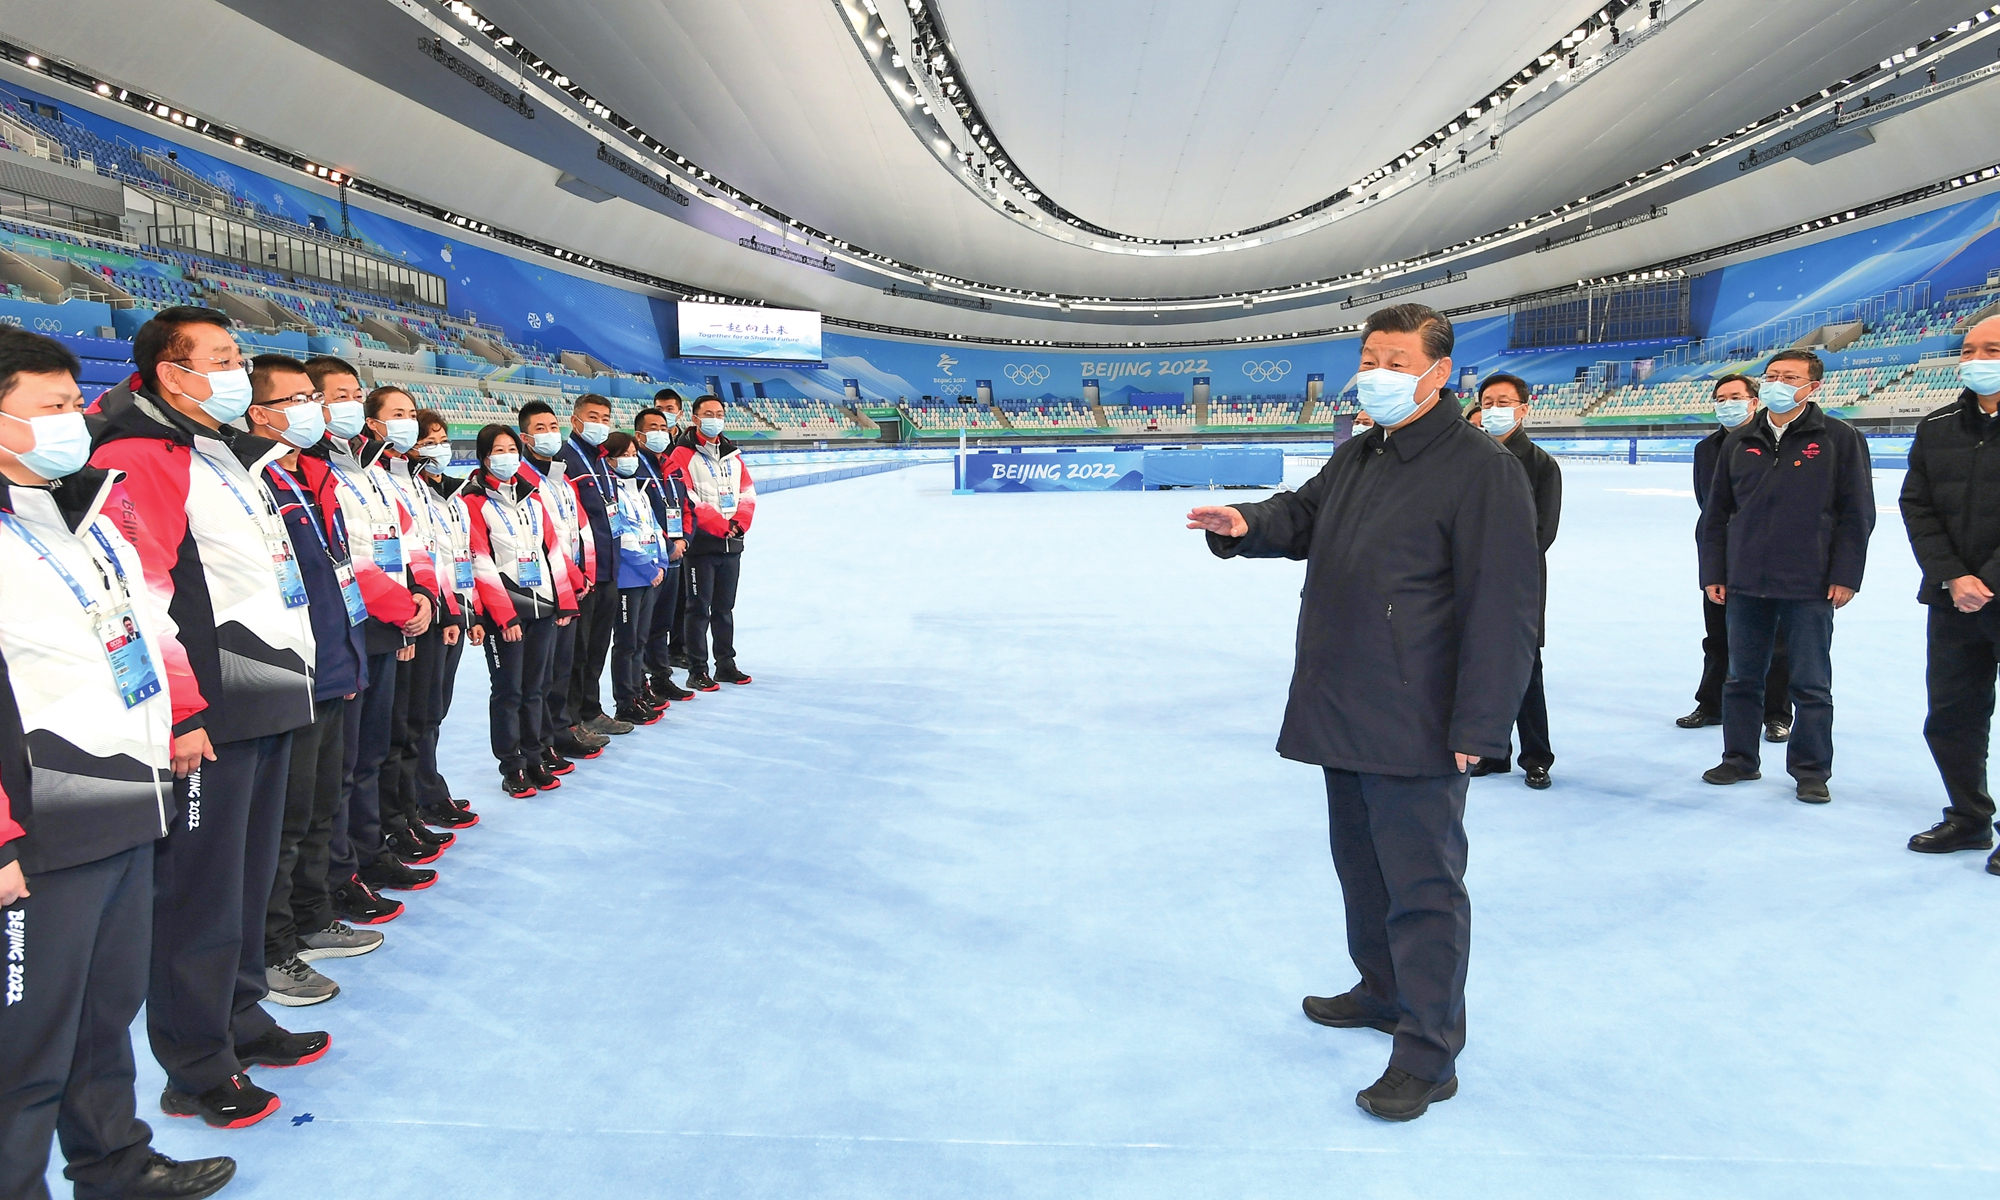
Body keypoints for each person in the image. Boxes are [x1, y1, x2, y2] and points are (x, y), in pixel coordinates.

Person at [1184, 303, 1540, 1121]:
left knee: (1423, 889)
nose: (1374, 371)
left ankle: (1428, 1051)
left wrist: (1481, 730)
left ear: (1439, 372)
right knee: (1362, 869)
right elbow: (1303, 513)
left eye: (1394, 358)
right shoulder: (1362, 451)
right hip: (1345, 703)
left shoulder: (1483, 470)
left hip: (1419, 718)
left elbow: (1505, 611)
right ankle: (1382, 990)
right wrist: (1245, 525)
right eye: (1368, 356)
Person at [0, 328, 237, 1199]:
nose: (75, 422)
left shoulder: (84, 515)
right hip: (43, 825)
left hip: (131, 801)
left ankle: (114, 1162)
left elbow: (149, 623)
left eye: (75, 404)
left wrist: (183, 710)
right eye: (53, 409)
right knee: (25, 1043)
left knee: (106, 1015)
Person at [86, 306, 322, 1129]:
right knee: (200, 891)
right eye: (217, 358)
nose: (235, 370)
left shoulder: (218, 451)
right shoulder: (139, 457)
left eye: (236, 355)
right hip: (210, 712)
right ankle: (194, 1061)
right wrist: (184, 710)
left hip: (266, 694)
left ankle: (241, 1016)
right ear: (169, 373)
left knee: (248, 880)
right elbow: (143, 595)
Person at [244, 357, 378, 1008]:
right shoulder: (255, 484)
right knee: (286, 823)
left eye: (311, 398)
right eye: (295, 399)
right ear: (258, 413)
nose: (312, 410)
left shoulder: (315, 477)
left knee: (323, 806)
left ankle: (312, 917)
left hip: (335, 662)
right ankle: (273, 949)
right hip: (288, 676)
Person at [1697, 349, 1874, 803]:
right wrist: (1714, 572)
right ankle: (1739, 758)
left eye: (1789, 376)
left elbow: (1857, 514)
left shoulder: (1839, 438)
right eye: (1771, 375)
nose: (1777, 382)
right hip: (1746, 580)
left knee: (1811, 683)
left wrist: (1846, 574)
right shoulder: (1739, 442)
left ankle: (1811, 770)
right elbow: (1716, 515)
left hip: (1810, 582)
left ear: (1812, 387)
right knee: (1741, 678)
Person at [310, 384, 438, 898]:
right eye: (340, 395)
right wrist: (406, 607)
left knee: (374, 750)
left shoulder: (378, 472)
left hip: (395, 620)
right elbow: (349, 557)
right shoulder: (323, 474)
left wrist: (424, 594)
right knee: (347, 762)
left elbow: (411, 543)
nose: (406, 422)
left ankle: (370, 849)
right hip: (359, 623)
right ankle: (345, 868)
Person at [1903, 315, 2000, 871]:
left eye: (1992, 349)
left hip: (1988, 591)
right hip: (1952, 600)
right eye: (1968, 350)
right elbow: (1917, 505)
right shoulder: (1937, 425)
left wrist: (1988, 579)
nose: (1976, 360)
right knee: (1952, 715)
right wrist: (1952, 575)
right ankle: (1968, 817)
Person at [465, 426, 578, 797]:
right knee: (509, 692)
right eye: (499, 449)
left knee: (536, 688)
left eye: (512, 448)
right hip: (507, 616)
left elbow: (553, 551)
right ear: (484, 457)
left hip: (544, 607)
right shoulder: (473, 501)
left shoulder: (532, 498)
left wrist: (564, 602)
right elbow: (479, 562)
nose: (507, 455)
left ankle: (534, 756)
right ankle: (511, 766)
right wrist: (503, 616)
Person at [1678, 375, 1792, 736]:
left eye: (1735, 397)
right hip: (1719, 555)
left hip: (1768, 554)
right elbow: (1707, 504)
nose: (1727, 403)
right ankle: (1712, 704)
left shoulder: (1776, 443)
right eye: (1721, 397)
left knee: (1774, 639)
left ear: (1754, 402)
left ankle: (1775, 713)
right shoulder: (1706, 449)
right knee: (1717, 636)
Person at [1468, 373, 1561, 789]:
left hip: (1516, 585)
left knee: (1525, 672)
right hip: (1465, 580)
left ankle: (1536, 756)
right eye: (1488, 402)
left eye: (1503, 402)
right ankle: (1492, 751)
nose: (1494, 409)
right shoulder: (1464, 458)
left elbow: (1542, 533)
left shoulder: (1541, 465)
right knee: (1476, 667)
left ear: (1524, 409)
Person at [519, 401, 619, 761]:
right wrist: (574, 575)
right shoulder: (524, 479)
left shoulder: (559, 474)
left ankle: (563, 726)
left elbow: (579, 527)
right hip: (549, 586)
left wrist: (587, 571)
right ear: (525, 436)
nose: (548, 434)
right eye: (540, 428)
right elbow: (544, 538)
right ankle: (549, 734)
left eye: (551, 426)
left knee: (569, 662)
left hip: (584, 577)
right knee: (547, 672)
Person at [407, 409, 485, 826]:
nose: (437, 447)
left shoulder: (451, 495)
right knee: (421, 711)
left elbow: (461, 560)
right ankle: (422, 793)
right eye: (428, 440)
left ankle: (429, 785)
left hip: (454, 610)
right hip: (428, 612)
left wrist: (469, 611)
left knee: (437, 708)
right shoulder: (409, 491)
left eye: (441, 438)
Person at [666, 395, 758, 691]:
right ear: (695, 418)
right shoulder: (682, 454)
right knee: (697, 608)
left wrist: (739, 523)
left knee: (724, 608)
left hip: (732, 544)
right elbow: (687, 497)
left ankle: (726, 664)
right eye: (708, 413)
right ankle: (697, 669)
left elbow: (747, 492)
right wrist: (720, 526)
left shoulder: (733, 455)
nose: (714, 418)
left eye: (719, 413)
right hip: (703, 545)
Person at [558, 395, 623, 732]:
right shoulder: (566, 460)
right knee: (577, 653)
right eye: (593, 416)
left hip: (609, 570)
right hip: (584, 576)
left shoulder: (601, 461)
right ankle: (572, 720)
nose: (600, 423)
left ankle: (592, 709)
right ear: (575, 421)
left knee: (598, 647)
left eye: (605, 418)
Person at [603, 432, 669, 727]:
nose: (631, 459)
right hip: (630, 578)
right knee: (627, 642)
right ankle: (625, 702)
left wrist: (662, 561)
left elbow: (653, 526)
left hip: (650, 574)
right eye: (625, 454)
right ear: (611, 458)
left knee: (640, 639)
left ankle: (638, 691)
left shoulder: (638, 490)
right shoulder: (612, 492)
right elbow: (623, 535)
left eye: (634, 454)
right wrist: (648, 567)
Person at [633, 402, 693, 705]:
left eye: (662, 428)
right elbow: (639, 517)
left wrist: (683, 541)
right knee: (641, 629)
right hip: (651, 561)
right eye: (652, 429)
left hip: (676, 557)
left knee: (663, 624)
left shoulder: (673, 467)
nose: (659, 433)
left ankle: (660, 677)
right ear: (639, 436)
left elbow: (686, 508)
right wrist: (666, 548)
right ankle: (639, 684)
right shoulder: (634, 467)